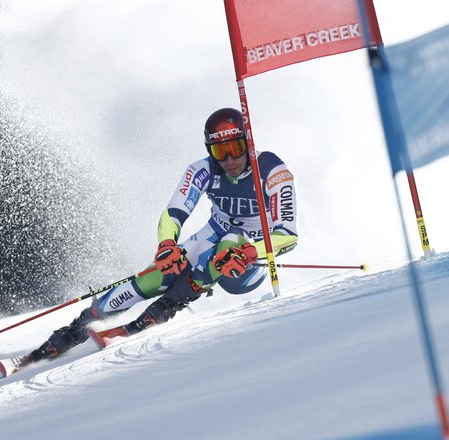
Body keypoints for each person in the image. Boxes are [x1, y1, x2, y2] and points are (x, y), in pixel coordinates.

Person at [24, 108, 299, 363]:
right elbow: (174, 213)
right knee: (158, 274)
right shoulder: (203, 169)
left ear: (247, 143)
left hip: (252, 257)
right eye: (219, 151)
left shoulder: (272, 171)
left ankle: (166, 308)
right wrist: (168, 245)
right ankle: (75, 330)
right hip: (214, 233)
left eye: (235, 149)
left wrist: (251, 252)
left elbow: (287, 235)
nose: (229, 159)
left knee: (228, 247)